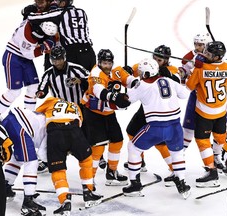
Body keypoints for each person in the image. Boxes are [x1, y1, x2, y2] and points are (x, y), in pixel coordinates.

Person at [122, 58, 191, 199]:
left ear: (147, 73)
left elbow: (126, 100)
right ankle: (182, 184)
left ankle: (135, 184)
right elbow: (184, 94)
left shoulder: (142, 85)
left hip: (156, 127)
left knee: (133, 148)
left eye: (141, 72)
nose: (140, 75)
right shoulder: (169, 81)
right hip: (175, 126)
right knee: (177, 153)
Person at [185, 41, 227, 187]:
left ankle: (211, 171)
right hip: (221, 111)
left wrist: (195, 69)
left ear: (217, 56)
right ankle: (217, 157)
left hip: (204, 112)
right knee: (220, 137)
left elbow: (189, 86)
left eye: (208, 53)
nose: (205, 54)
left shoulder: (201, 68)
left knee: (202, 141)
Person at [124, 45, 180, 186]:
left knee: (160, 143)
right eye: (154, 58)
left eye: (159, 59)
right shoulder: (149, 65)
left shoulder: (171, 70)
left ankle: (174, 170)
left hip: (162, 113)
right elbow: (131, 71)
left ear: (167, 60)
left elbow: (179, 83)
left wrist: (168, 74)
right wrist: (127, 72)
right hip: (146, 109)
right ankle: (139, 161)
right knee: (131, 131)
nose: (156, 61)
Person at [36, 97, 103, 215]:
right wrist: (71, 146)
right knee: (86, 159)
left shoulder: (51, 100)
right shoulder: (74, 105)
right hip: (74, 130)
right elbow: (80, 122)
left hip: (55, 133)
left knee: (58, 169)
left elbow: (37, 114)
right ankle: (88, 192)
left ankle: (64, 200)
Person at [81, 49, 138, 186]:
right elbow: (99, 91)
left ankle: (111, 172)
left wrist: (139, 84)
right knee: (98, 148)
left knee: (117, 141)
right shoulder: (95, 73)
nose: (107, 66)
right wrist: (116, 97)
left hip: (108, 113)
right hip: (93, 113)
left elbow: (130, 80)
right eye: (104, 63)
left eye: (109, 63)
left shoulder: (116, 71)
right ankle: (90, 180)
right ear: (99, 63)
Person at [36, 45, 90, 173]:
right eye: (54, 60)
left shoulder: (76, 68)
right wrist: (40, 93)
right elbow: (42, 87)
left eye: (59, 59)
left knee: (86, 131)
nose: (57, 63)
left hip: (78, 108)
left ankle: (96, 156)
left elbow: (91, 79)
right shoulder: (48, 73)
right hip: (59, 111)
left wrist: (81, 81)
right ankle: (46, 160)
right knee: (51, 135)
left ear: (64, 58)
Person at [180, 33, 227, 170]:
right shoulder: (195, 58)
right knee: (189, 128)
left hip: (214, 100)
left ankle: (217, 156)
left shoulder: (208, 60)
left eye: (201, 44)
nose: (198, 47)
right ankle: (179, 154)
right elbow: (183, 69)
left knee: (222, 131)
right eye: (196, 44)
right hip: (198, 98)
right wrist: (184, 73)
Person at [0, 18, 57, 116]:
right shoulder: (28, 37)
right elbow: (30, 54)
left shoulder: (34, 21)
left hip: (24, 58)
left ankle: (28, 115)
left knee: (34, 87)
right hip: (13, 57)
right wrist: (45, 47)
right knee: (14, 91)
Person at [1, 107, 47, 215]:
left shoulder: (57, 124)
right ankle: (28, 200)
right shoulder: (56, 133)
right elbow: (43, 155)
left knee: (17, 158)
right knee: (32, 162)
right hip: (21, 125)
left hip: (12, 118)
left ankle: (5, 188)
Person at [56, 0, 96, 71]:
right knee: (91, 80)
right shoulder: (82, 12)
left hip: (72, 52)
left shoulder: (59, 13)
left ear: (63, 3)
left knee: (73, 80)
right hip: (89, 51)